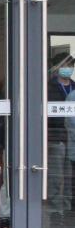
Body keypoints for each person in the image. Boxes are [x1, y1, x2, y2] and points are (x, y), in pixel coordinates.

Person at [48, 54, 75, 217]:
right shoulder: (48, 88)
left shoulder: (74, 87)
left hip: (72, 139)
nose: (69, 68)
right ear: (56, 68)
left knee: (70, 175)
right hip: (56, 136)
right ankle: (55, 209)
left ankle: (68, 206)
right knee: (56, 176)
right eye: (65, 65)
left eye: (71, 65)